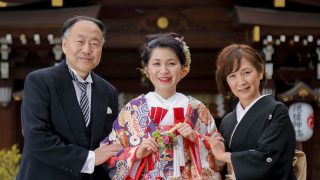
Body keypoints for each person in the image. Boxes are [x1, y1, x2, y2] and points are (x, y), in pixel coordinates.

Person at [101, 32, 224, 179]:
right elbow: (109, 153)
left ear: (182, 68)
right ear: (146, 68)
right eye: (156, 63)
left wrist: (195, 138)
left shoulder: (197, 109)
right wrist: (137, 153)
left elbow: (220, 157)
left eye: (171, 63)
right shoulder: (133, 110)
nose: (164, 71)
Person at [17, 16, 122, 180]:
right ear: (64, 45)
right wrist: (90, 159)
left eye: (94, 43)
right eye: (80, 42)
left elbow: (108, 144)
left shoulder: (108, 91)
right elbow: (37, 136)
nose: (87, 50)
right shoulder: (40, 81)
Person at [208, 44, 296, 180]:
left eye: (247, 72)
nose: (241, 82)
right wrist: (216, 157)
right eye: (232, 76)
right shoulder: (227, 121)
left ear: (260, 72)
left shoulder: (277, 111)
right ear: (227, 82)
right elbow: (224, 167)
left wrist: (224, 156)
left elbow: (271, 158)